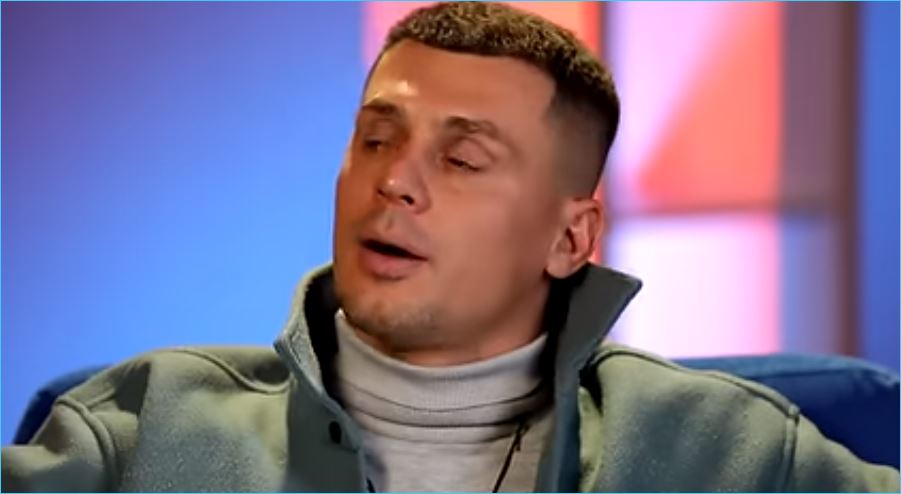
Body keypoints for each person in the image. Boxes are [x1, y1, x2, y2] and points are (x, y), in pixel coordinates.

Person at [3, 2, 898, 492]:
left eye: (461, 159)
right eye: (375, 139)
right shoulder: (146, 429)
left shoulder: (732, 454)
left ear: (570, 237)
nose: (395, 180)